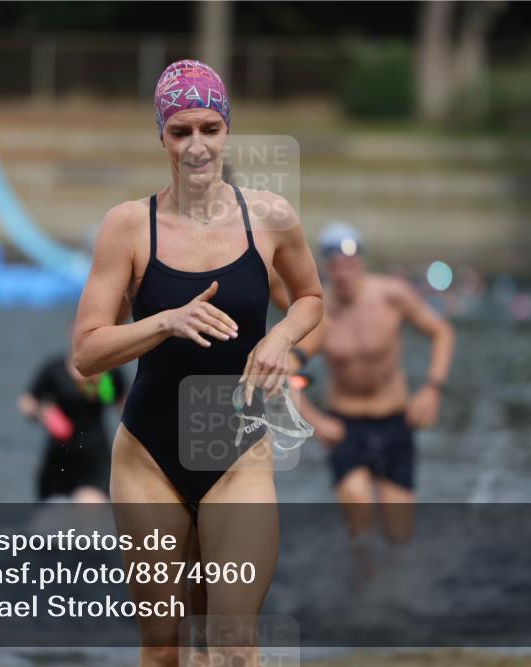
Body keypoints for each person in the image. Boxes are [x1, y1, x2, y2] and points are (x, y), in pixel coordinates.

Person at [72, 59, 323, 665]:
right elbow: (86, 352)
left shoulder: (271, 218)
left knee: (233, 643)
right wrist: (163, 321)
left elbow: (312, 299)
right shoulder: (129, 227)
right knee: (164, 647)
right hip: (148, 459)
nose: (196, 146)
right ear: (161, 135)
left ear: (227, 130)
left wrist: (281, 336)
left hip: (236, 452)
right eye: (181, 131)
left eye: (209, 128)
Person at [299, 222, 455, 545]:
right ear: (326, 268)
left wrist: (432, 389)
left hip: (395, 421)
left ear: (361, 262)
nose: (344, 272)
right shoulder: (317, 311)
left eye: (350, 262)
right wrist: (315, 422)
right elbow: (283, 370)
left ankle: (394, 592)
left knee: (399, 535)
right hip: (346, 425)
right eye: (335, 265)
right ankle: (361, 583)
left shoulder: (392, 295)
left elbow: (442, 333)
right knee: (360, 519)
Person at [18, 350, 127, 503]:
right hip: (57, 458)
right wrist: (43, 412)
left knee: (89, 509)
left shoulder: (111, 372)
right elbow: (26, 401)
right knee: (52, 517)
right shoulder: (55, 369)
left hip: (94, 460)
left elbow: (125, 407)